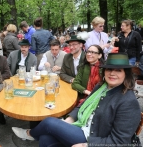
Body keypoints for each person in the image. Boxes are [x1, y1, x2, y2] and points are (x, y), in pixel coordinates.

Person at [12, 52, 141, 147]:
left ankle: (29, 134)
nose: (112, 73)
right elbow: (83, 104)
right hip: (81, 127)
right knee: (45, 138)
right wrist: (70, 119)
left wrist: (87, 145)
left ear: (126, 74)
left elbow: (120, 141)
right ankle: (33, 134)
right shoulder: (101, 86)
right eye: (109, 69)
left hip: (93, 138)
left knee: (49, 122)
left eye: (118, 71)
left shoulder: (128, 102)